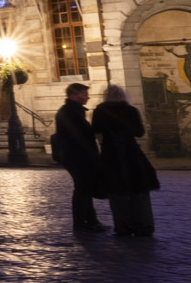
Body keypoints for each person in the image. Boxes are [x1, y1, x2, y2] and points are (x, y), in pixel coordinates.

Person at [93, 83, 159, 236]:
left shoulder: (99, 111)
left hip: (111, 154)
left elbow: (96, 131)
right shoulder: (131, 110)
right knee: (139, 189)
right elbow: (139, 132)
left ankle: (123, 226)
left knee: (116, 192)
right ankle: (144, 225)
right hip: (131, 153)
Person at [50, 82, 106, 234]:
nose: (87, 97)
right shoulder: (69, 112)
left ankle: (90, 220)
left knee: (85, 188)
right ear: (74, 95)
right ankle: (82, 222)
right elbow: (78, 136)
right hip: (77, 156)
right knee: (82, 189)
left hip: (77, 156)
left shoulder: (73, 111)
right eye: (84, 94)